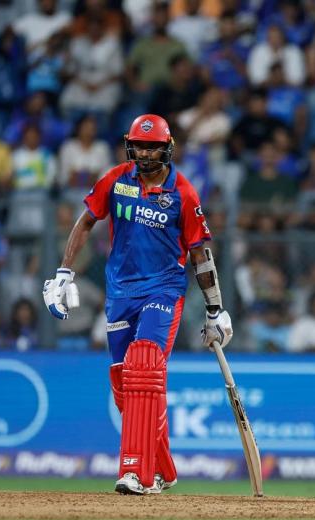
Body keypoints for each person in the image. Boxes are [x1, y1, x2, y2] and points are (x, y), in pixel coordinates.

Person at [41, 114, 233, 495]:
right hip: (120, 294)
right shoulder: (116, 180)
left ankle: (135, 472)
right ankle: (164, 469)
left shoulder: (184, 193)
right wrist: (64, 273)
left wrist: (215, 310)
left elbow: (200, 256)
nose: (145, 154)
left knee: (144, 364)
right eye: (139, 146)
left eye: (153, 147)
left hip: (164, 292)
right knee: (124, 384)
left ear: (167, 148)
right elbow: (85, 221)